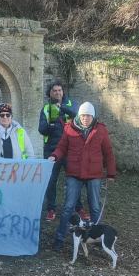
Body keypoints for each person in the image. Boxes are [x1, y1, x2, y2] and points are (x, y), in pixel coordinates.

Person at [49, 102, 116, 252]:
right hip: (74, 173)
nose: (86, 118)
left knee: (95, 207)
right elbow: (61, 147)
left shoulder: (101, 130)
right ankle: (60, 238)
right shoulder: (69, 129)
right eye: (83, 115)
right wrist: (54, 156)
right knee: (68, 207)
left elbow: (108, 152)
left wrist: (111, 173)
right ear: (79, 116)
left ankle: (97, 238)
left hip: (94, 174)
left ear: (93, 117)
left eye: (89, 116)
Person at [38, 80, 84, 221]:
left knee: (75, 179)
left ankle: (78, 207)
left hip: (71, 149)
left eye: (59, 90)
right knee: (51, 181)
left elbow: (78, 117)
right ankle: (51, 209)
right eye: (54, 91)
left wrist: (62, 109)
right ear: (50, 93)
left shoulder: (71, 104)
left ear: (63, 91)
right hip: (52, 149)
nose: (57, 93)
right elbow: (42, 129)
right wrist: (52, 124)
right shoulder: (46, 109)